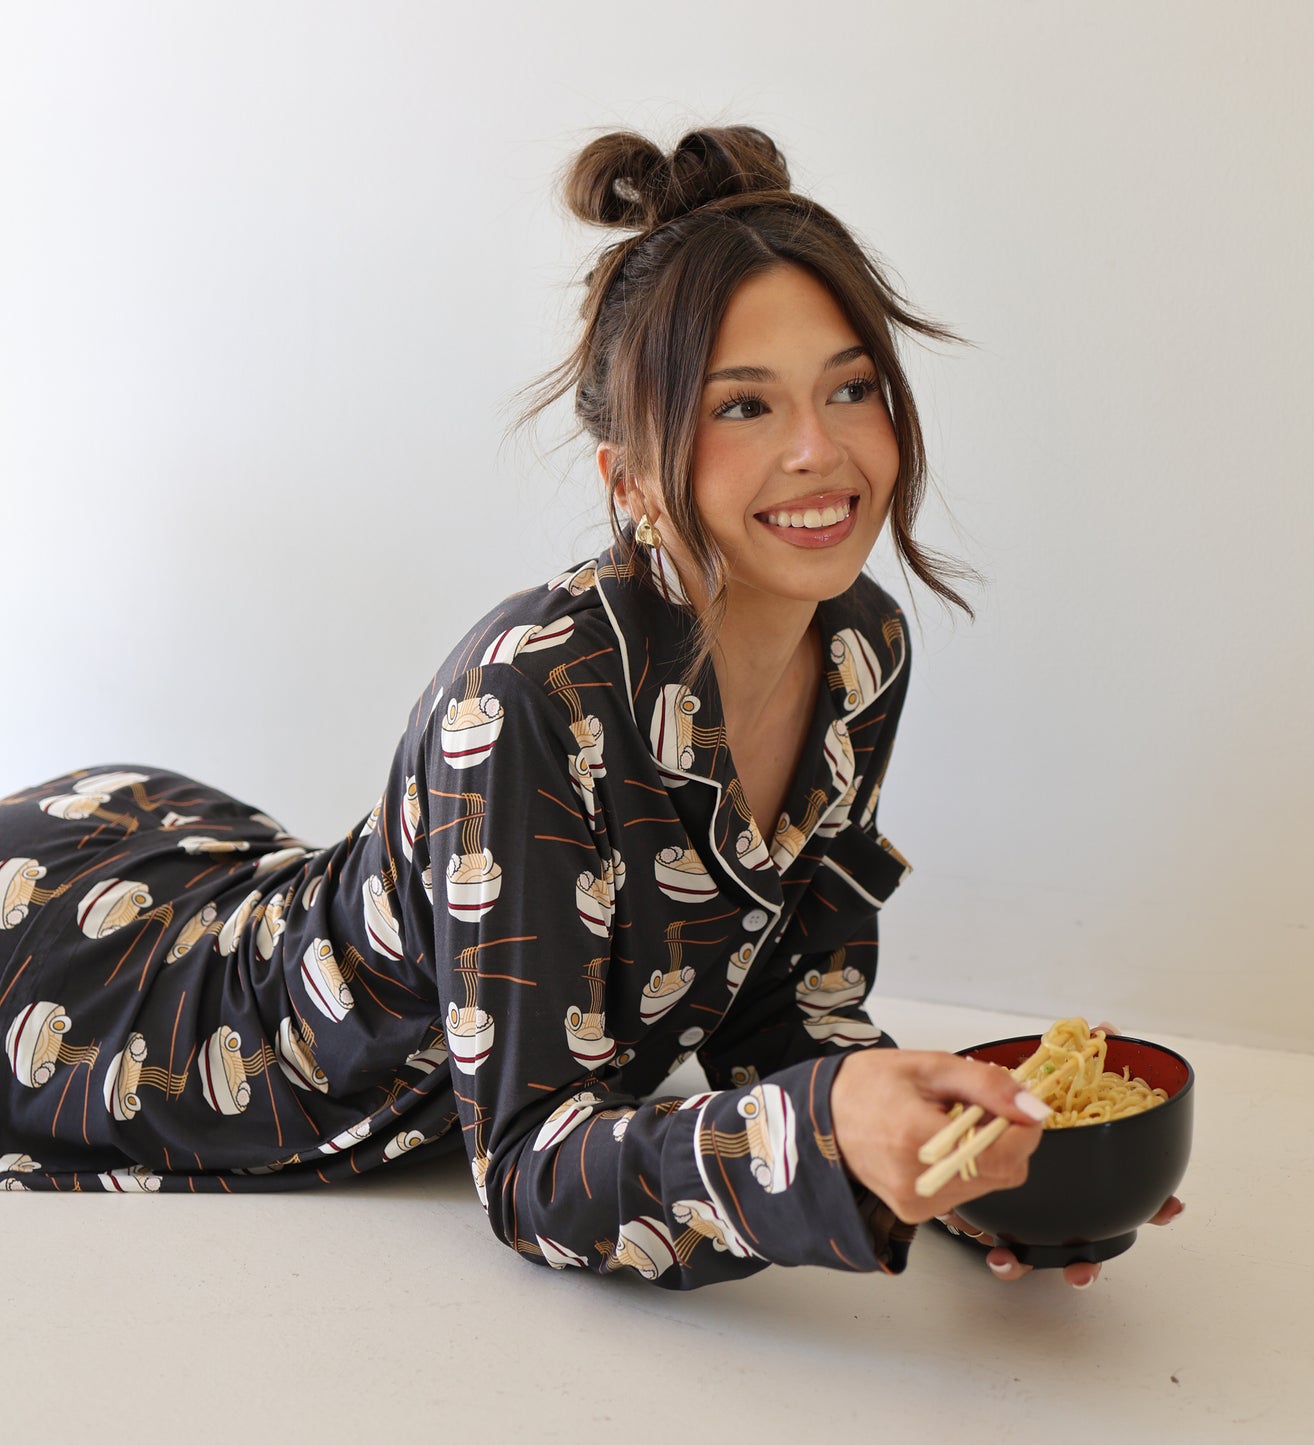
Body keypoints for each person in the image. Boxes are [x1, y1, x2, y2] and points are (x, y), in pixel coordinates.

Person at [0, 125, 1177, 1286]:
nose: (819, 450)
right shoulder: (526, 695)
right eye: (742, 406)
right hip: (98, 989)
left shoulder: (862, 646)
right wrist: (822, 1142)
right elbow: (529, 1172)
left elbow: (779, 1011)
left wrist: (961, 1155)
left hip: (197, 847)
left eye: (851, 386)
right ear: (628, 479)